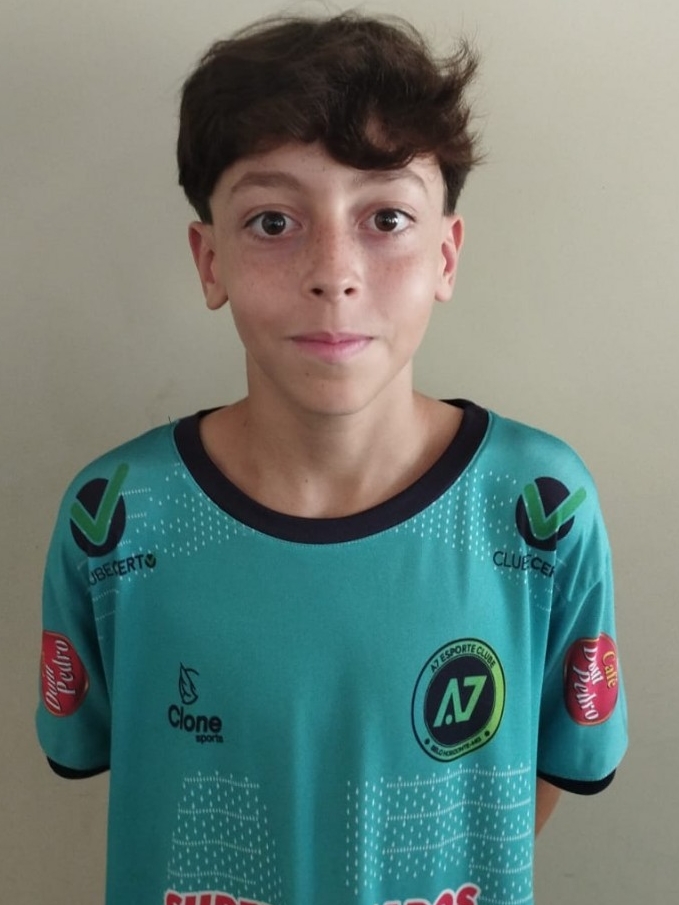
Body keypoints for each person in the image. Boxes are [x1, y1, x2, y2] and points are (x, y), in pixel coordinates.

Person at [36, 12, 627, 905]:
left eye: (386, 217)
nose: (334, 271)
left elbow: (552, 764)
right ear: (209, 261)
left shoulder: (538, 507)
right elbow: (94, 747)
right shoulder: (115, 515)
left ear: (445, 255)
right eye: (273, 220)